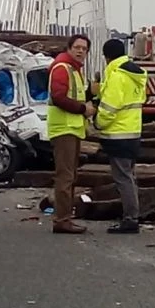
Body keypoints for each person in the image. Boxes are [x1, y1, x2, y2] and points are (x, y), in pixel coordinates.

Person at [94, 38, 147, 235]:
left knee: (123, 178)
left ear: (107, 57)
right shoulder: (135, 73)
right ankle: (132, 214)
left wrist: (97, 123)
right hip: (132, 132)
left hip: (118, 134)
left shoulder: (117, 76)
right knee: (129, 176)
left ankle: (131, 218)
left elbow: (109, 108)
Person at [47, 34, 96, 234]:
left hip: (71, 128)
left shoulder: (74, 70)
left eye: (84, 49)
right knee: (65, 177)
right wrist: (83, 110)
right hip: (64, 128)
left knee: (69, 175)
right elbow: (58, 97)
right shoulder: (62, 68)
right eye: (77, 47)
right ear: (68, 48)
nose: (80, 51)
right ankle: (62, 220)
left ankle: (65, 217)